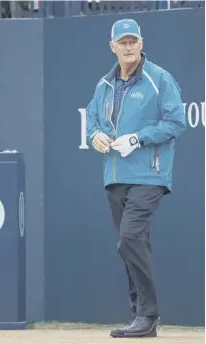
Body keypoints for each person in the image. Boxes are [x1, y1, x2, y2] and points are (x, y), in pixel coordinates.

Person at [85, 18, 186, 338]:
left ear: (141, 44)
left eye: (133, 41)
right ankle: (140, 317)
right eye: (122, 42)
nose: (128, 47)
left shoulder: (159, 78)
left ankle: (148, 313)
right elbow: (91, 120)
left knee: (130, 238)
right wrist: (95, 136)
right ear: (112, 46)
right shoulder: (103, 85)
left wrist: (137, 138)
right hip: (114, 175)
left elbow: (176, 122)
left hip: (149, 174)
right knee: (130, 245)